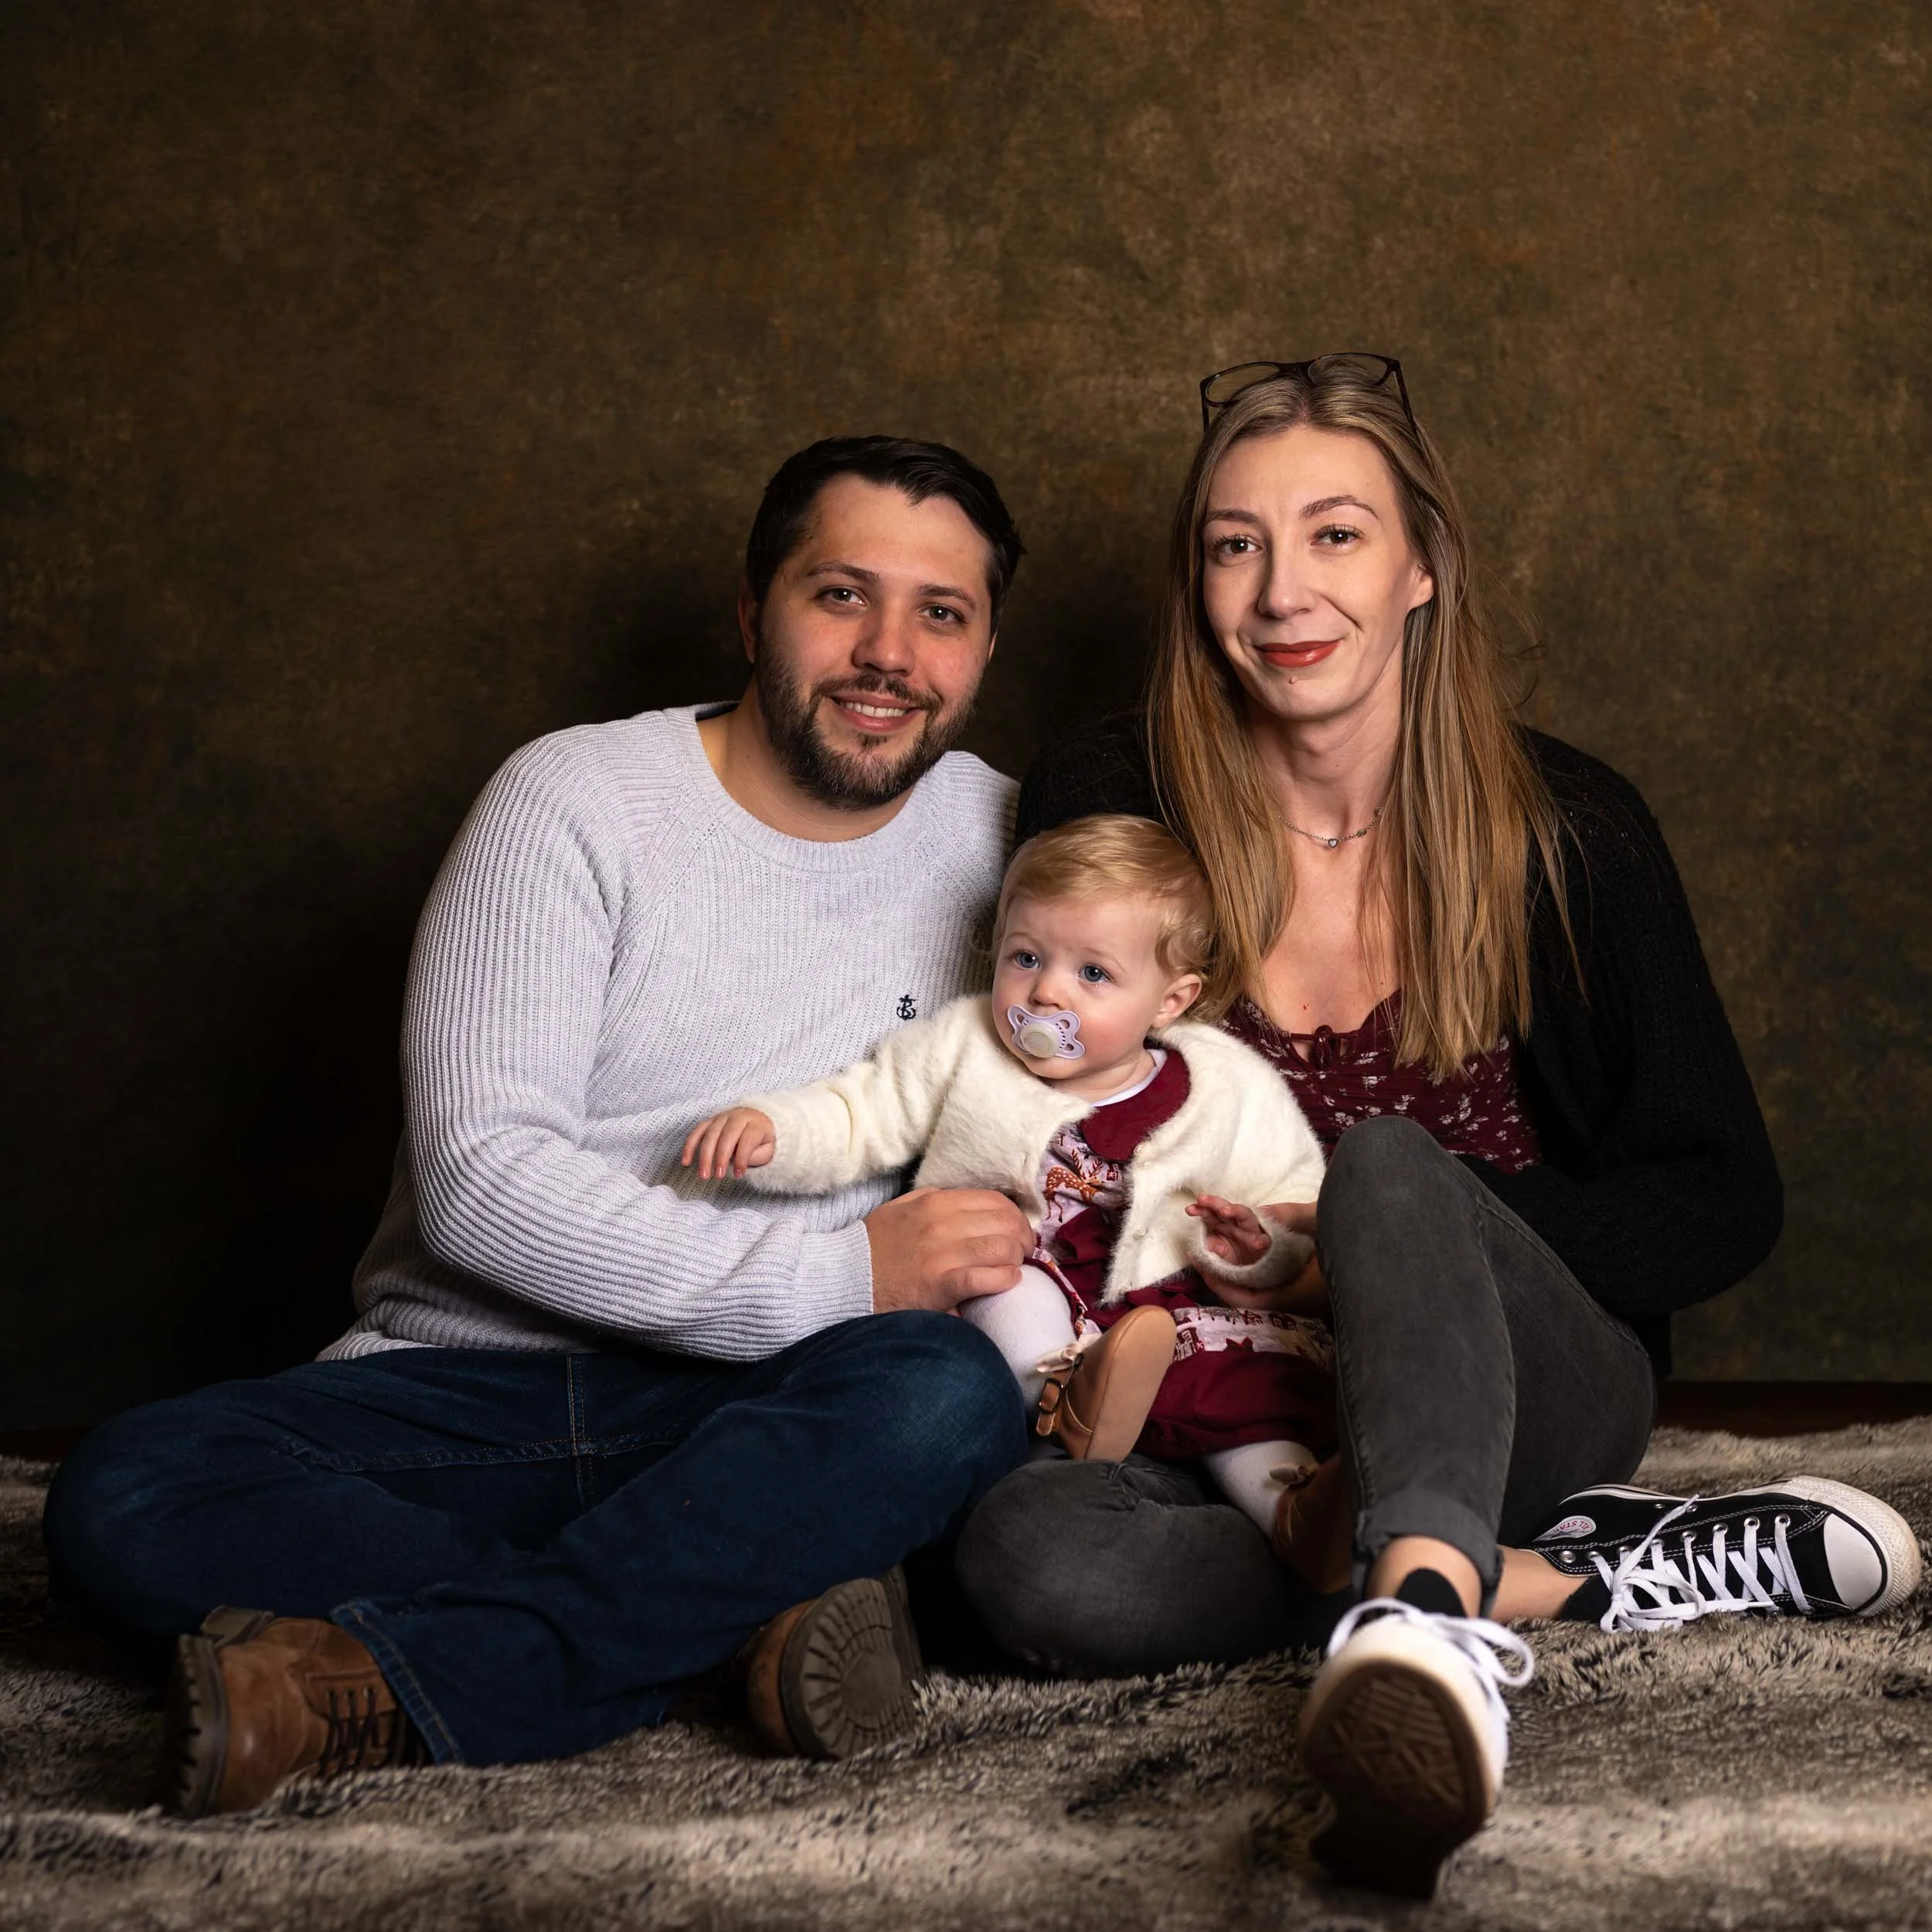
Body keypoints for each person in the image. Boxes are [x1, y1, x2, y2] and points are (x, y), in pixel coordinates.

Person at [952, 355, 1921, 1899]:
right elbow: (1030, 1110)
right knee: (1024, 1557)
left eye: (1333, 534)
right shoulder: (1107, 796)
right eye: (1232, 542)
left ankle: (1414, 1628)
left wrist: (1367, 1246)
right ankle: (1566, 1572)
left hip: (1531, 1379)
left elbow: (1719, 1198)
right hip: (1254, 1422)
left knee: (1385, 1171)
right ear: (1195, 578)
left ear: (1420, 563)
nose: (1281, 590)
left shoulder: (1568, 829)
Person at [43, 434, 1041, 1815]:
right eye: (840, 595)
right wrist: (843, 1275)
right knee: (123, 1492)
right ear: (753, 613)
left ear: (984, 652)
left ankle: (473, 1657)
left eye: (942, 614)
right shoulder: (572, 800)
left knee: (942, 1396)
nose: (888, 652)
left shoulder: (1013, 849)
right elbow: (480, 1182)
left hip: (751, 1417)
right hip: (464, 1397)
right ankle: (728, 1623)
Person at [682, 811, 1340, 1543]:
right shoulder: (965, 1045)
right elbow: (863, 1109)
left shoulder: (1222, 1085)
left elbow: (1297, 1201)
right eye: (1026, 958)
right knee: (1001, 1281)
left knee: (1240, 1392)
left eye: (1093, 974)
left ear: (1171, 1000)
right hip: (1032, 1281)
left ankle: (1295, 1514)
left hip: (1165, 1314)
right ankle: (1067, 1396)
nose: (1047, 994)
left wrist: (1257, 1246)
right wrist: (776, 1132)